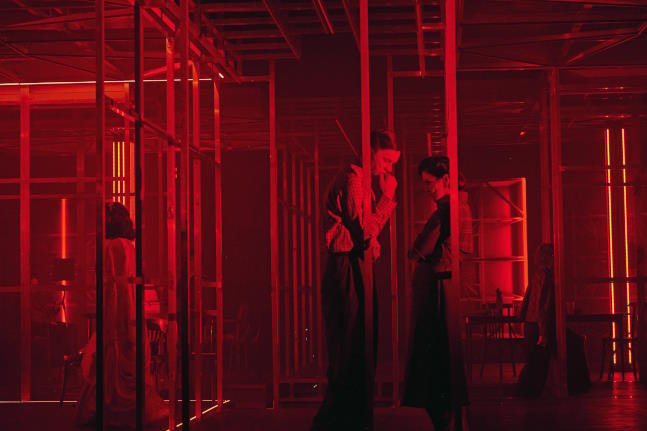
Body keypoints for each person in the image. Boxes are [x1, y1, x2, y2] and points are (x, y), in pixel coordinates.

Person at [311, 130, 399, 431]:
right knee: (351, 346)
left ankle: (341, 420)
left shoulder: (358, 181)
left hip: (351, 265)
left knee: (355, 344)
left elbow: (364, 233)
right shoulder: (352, 181)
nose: (388, 168)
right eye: (386, 160)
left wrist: (372, 239)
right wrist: (387, 199)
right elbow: (362, 232)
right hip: (346, 266)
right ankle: (337, 421)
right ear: (371, 152)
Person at [76, 202, 168, 427]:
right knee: (126, 366)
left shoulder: (111, 246)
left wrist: (117, 320)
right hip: (131, 314)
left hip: (118, 313)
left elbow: (116, 288)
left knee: (110, 362)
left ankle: (109, 415)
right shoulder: (130, 247)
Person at [403, 156, 469, 431]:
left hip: (436, 289)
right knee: (442, 355)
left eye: (430, 182)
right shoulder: (457, 207)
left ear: (446, 180)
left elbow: (419, 249)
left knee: (434, 355)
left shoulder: (447, 209)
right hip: (441, 287)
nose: (427, 188)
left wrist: (419, 251)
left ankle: (443, 417)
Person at [516, 243, 591, 397]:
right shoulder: (548, 277)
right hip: (541, 325)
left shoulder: (537, 275)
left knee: (535, 360)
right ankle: (578, 385)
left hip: (532, 324)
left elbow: (530, 300)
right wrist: (543, 330)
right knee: (574, 344)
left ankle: (528, 389)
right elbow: (543, 305)